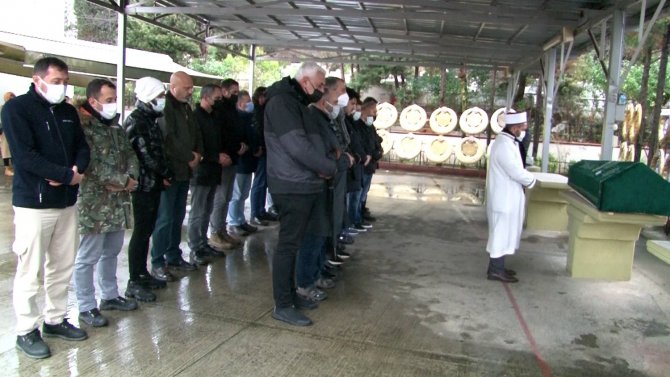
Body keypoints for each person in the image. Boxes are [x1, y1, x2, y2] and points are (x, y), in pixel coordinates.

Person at [1, 57, 91, 359]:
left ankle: (55, 319)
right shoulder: (16, 109)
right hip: (34, 204)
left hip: (66, 202)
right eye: (56, 81)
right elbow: (24, 156)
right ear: (38, 80)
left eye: (65, 81)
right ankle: (26, 331)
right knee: (30, 270)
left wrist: (77, 169)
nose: (62, 86)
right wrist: (64, 174)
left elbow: (82, 146)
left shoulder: (67, 111)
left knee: (62, 266)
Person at [264, 62, 336, 326]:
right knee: (288, 246)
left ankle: (291, 295)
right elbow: (298, 146)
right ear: (305, 81)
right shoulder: (282, 103)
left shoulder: (296, 102)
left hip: (304, 182)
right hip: (291, 184)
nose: (321, 91)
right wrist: (327, 167)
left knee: (295, 245)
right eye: (318, 86)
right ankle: (282, 304)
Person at [74, 79, 140, 328]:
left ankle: (110, 295)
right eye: (109, 100)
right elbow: (90, 164)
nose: (113, 104)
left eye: (114, 99)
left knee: (111, 251)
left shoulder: (115, 127)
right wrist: (122, 180)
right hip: (95, 202)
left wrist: (131, 178)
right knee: (88, 256)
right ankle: (86, 305)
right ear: (93, 101)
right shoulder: (84, 129)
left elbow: (130, 153)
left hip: (118, 200)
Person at [124, 76, 174, 302]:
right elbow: (146, 156)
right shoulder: (137, 121)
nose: (162, 100)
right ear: (147, 97)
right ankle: (134, 280)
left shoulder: (149, 119)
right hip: (143, 185)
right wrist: (166, 172)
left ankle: (142, 273)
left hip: (152, 183)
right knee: (141, 232)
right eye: (159, 96)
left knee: (147, 231)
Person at [151, 71, 204, 280]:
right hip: (172, 171)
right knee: (165, 218)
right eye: (187, 88)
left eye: (192, 88)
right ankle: (157, 261)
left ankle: (174, 255)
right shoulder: (166, 107)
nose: (190, 92)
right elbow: (169, 139)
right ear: (174, 87)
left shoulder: (186, 108)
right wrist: (189, 156)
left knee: (178, 216)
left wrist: (198, 153)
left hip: (186, 171)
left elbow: (196, 133)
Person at [485, 111, 536, 283]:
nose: (524, 130)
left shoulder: (508, 141)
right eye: (522, 127)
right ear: (514, 128)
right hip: (503, 199)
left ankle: (497, 267)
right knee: (500, 235)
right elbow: (515, 171)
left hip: (507, 197)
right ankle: (495, 271)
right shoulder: (504, 146)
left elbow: (523, 144)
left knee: (504, 234)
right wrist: (532, 180)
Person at [188, 84, 231, 259]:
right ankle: (195, 247)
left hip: (214, 170)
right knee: (197, 211)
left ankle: (203, 243)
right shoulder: (195, 117)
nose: (220, 101)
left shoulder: (214, 116)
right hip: (201, 171)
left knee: (207, 209)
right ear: (205, 97)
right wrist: (215, 157)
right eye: (217, 98)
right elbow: (196, 145)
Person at [209, 78, 247, 250]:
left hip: (233, 157)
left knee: (228, 196)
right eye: (234, 92)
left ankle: (222, 230)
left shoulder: (231, 110)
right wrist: (230, 150)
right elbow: (222, 135)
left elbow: (236, 131)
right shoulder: (219, 111)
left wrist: (241, 146)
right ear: (224, 92)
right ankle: (215, 232)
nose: (236, 95)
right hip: (224, 158)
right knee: (221, 197)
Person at [226, 90, 261, 235]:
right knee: (237, 193)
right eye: (248, 101)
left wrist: (255, 148)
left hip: (249, 161)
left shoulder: (249, 117)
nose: (250, 104)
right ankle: (234, 221)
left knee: (244, 193)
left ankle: (241, 220)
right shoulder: (237, 118)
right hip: (240, 161)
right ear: (240, 103)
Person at [249, 86, 278, 226]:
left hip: (268, 150)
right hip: (262, 151)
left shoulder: (264, 111)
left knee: (264, 183)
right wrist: (257, 147)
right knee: (259, 183)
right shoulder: (256, 112)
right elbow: (257, 132)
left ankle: (261, 210)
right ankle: (255, 213)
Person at [1, 91, 16, 176]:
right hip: (5, 131)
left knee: (14, 149)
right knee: (6, 149)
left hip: (15, 130)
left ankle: (14, 167)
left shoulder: (16, 108)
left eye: (13, 96)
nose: (12, 98)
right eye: (10, 97)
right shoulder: (2, 107)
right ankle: (7, 169)